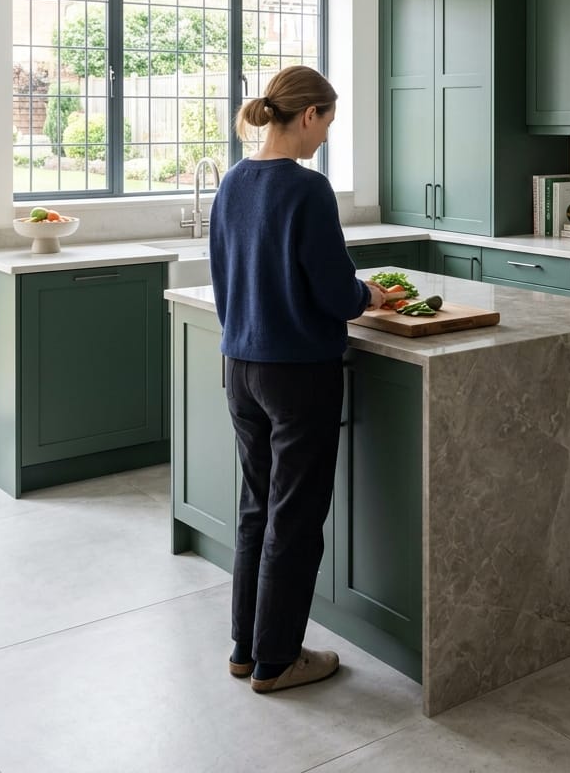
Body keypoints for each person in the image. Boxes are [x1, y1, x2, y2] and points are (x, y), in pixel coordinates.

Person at [208, 65, 386, 694]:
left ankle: (245, 649)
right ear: (308, 114)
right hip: (299, 374)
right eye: (327, 123)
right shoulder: (308, 190)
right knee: (296, 517)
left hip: (242, 367)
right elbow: (337, 294)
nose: (325, 139)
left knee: (256, 509)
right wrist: (372, 293)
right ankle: (279, 660)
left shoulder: (232, 181)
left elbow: (227, 277)